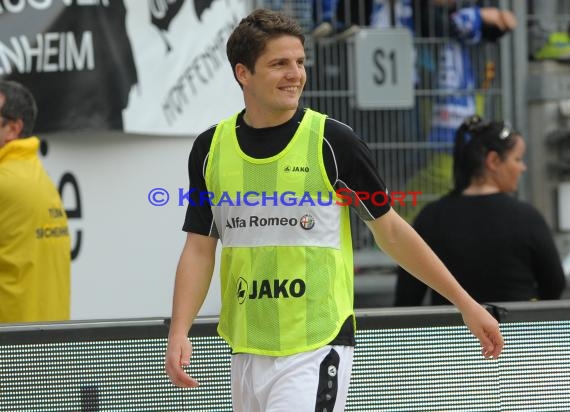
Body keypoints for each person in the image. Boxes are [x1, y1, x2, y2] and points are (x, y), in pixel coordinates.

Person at [164, 9, 503, 411]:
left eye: (299, 62)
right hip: (246, 347)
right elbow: (200, 249)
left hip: (316, 346)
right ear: (243, 73)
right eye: (279, 64)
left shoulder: (334, 143)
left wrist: (465, 303)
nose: (295, 74)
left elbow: (391, 231)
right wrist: (179, 329)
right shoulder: (210, 149)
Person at [395, 115, 567, 306]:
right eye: (517, 159)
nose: (523, 168)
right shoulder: (527, 217)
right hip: (516, 331)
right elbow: (554, 285)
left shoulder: (431, 217)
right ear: (493, 161)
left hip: (449, 332)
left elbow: (407, 296)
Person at [399, 1, 518, 223]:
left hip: (472, 96)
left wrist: (485, 16)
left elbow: (505, 23)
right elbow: (437, 25)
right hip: (433, 96)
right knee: (442, 171)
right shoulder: (425, 11)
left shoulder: (469, 10)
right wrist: (482, 15)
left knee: (461, 168)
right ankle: (392, 219)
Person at [0, 80, 71, 323]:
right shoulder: (36, 174)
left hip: (10, 344)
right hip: (45, 343)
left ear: (13, 128)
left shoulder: (6, 181)